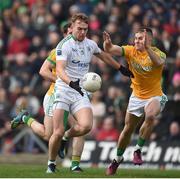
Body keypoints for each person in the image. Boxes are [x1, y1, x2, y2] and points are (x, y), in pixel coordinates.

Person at [47, 13, 133, 173]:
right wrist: (70, 82)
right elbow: (59, 69)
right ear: (71, 28)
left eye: (85, 29)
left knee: (86, 126)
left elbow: (104, 57)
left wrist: (120, 68)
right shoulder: (63, 45)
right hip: (64, 89)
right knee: (55, 132)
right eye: (79, 29)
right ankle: (51, 164)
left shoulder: (90, 44)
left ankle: (67, 136)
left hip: (80, 91)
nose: (82, 32)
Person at [10, 22, 84, 172]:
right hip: (55, 95)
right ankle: (25, 118)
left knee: (82, 128)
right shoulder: (58, 51)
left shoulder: (82, 50)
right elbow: (43, 71)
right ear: (65, 34)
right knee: (48, 134)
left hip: (74, 95)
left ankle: (75, 165)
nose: (76, 35)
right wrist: (64, 82)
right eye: (71, 32)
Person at [103, 28, 168, 175]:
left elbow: (158, 63)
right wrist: (107, 44)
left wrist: (147, 49)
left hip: (155, 95)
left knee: (150, 115)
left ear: (149, 40)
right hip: (137, 96)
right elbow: (110, 50)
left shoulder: (159, 53)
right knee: (127, 130)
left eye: (141, 38)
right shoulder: (130, 50)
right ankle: (117, 159)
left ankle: (138, 150)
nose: (137, 41)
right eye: (136, 38)